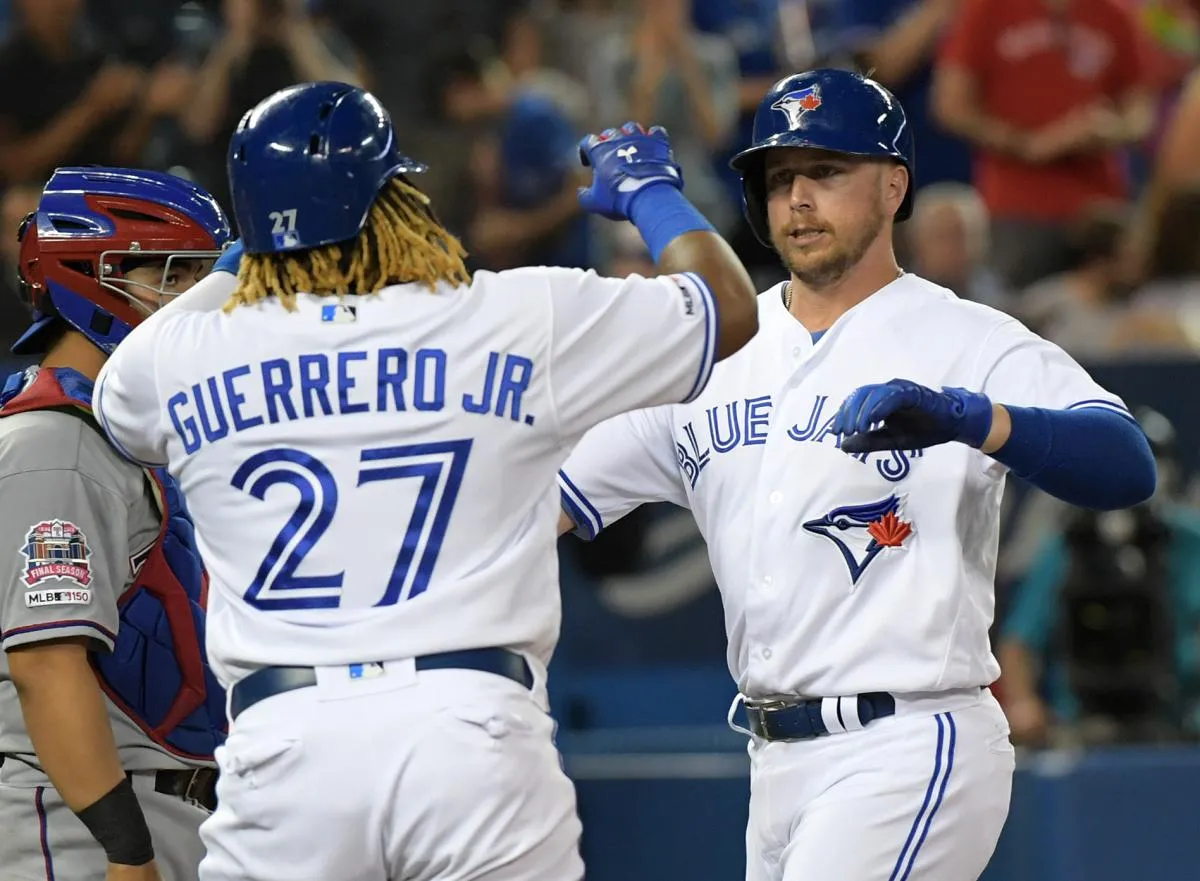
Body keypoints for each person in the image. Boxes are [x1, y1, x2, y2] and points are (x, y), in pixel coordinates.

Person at [91, 81, 759, 881]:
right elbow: (728, 305)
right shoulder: (508, 315)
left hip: (285, 745)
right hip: (469, 733)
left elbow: (117, 391)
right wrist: (650, 192)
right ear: (393, 203)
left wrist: (246, 250)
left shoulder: (184, 356)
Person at [556, 68, 1157, 881]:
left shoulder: (964, 337)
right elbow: (546, 506)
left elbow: (1125, 464)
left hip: (909, 738)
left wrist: (974, 418)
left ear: (893, 185)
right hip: (772, 760)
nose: (798, 198)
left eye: (827, 171)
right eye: (780, 178)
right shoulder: (714, 351)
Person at [0, 167, 231, 881]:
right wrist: (125, 853)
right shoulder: (53, 441)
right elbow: (45, 661)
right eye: (174, 273)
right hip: (80, 827)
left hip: (169, 811)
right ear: (93, 278)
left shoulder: (128, 432)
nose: (198, 299)